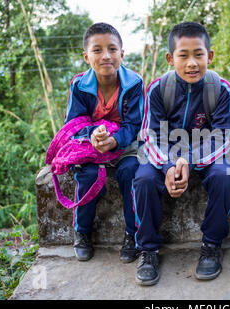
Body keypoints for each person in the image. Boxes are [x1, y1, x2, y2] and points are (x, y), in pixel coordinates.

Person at [132, 22, 230, 286]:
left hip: (208, 153)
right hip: (166, 154)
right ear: (170, 58)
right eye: (183, 55)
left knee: (226, 175)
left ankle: (212, 245)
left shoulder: (222, 89)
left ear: (209, 56)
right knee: (143, 178)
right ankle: (148, 249)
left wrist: (189, 161)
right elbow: (151, 134)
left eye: (199, 54)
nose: (192, 63)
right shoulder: (158, 89)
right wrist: (170, 165)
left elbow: (224, 136)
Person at [64, 22, 144, 263]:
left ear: (122, 53)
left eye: (112, 49)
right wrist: (92, 136)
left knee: (131, 172)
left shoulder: (134, 83)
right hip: (92, 147)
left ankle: (132, 235)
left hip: (124, 146)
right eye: (97, 50)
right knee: (87, 176)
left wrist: (114, 140)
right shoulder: (79, 85)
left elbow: (134, 125)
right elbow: (74, 124)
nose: (106, 56)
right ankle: (82, 232)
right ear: (86, 56)